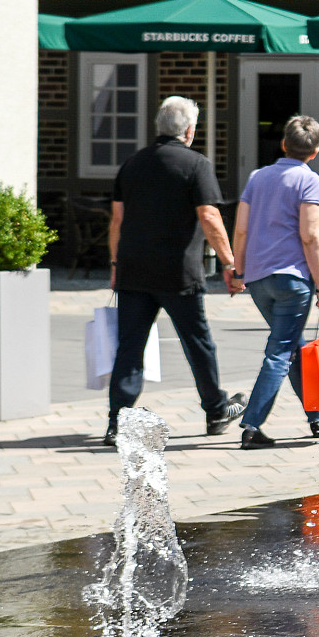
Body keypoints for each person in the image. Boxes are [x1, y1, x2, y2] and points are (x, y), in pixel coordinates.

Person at [106, 95, 241, 445]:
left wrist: (115, 263)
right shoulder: (196, 164)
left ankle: (117, 421)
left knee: (130, 347)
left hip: (134, 270)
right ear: (190, 130)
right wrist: (229, 263)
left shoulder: (132, 164)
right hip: (178, 273)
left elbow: (117, 219)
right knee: (198, 343)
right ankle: (216, 410)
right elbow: (209, 216)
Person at [228, 113, 319, 450]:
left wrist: (238, 271)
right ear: (315, 151)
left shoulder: (257, 177)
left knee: (294, 347)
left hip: (259, 279)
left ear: (284, 144)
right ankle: (252, 426)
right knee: (280, 352)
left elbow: (241, 229)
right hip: (293, 280)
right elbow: (311, 236)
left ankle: (318, 418)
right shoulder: (310, 181)